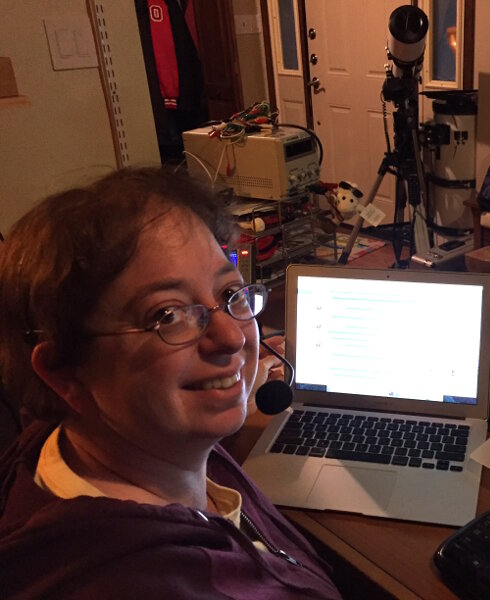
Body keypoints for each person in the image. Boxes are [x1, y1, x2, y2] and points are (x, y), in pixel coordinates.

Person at [0, 167, 341, 599]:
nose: (232, 337)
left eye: (230, 295)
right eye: (169, 315)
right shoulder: (122, 581)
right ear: (64, 374)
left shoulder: (156, 447)